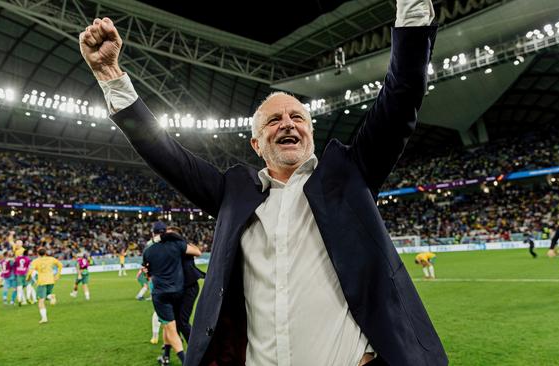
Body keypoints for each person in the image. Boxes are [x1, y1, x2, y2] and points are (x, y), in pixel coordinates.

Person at [79, 0, 447, 363]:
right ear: (256, 143)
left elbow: (402, 94)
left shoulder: (349, 173)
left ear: (310, 134)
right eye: (274, 120)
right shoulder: (232, 193)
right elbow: (165, 153)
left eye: (297, 117)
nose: (287, 123)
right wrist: (111, 76)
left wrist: (412, 6)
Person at [142, 222, 202, 365]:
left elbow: (198, 251)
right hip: (178, 289)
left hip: (186, 288)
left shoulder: (176, 245)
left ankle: (196, 354)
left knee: (179, 324)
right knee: (170, 325)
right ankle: (167, 355)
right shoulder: (176, 246)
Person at [168, 226, 204, 343]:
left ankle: (195, 350)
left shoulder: (182, 246)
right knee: (175, 321)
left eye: (171, 234)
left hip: (189, 287)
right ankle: (172, 348)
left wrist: (185, 242)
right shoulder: (171, 247)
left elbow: (198, 252)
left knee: (182, 321)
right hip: (178, 288)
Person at [27, 248, 63, 323]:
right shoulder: (51, 259)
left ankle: (44, 318)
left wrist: (28, 278)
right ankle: (51, 296)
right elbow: (60, 265)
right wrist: (58, 274)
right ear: (46, 253)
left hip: (42, 281)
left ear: (37, 253)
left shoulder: (35, 261)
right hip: (51, 280)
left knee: (41, 300)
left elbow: (30, 271)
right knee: (46, 296)